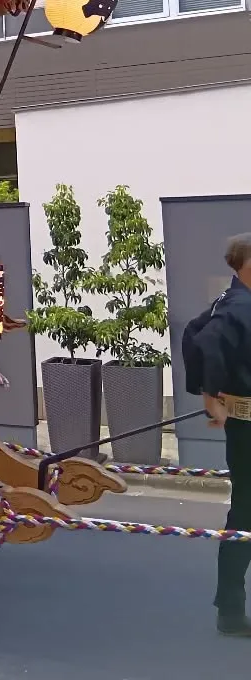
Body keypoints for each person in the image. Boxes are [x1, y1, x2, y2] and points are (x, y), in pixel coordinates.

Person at [196, 233, 251, 637]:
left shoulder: (232, 302)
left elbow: (192, 337)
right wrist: (211, 396)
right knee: (245, 515)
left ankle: (230, 608)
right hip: (247, 425)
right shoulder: (238, 306)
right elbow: (205, 343)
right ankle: (230, 609)